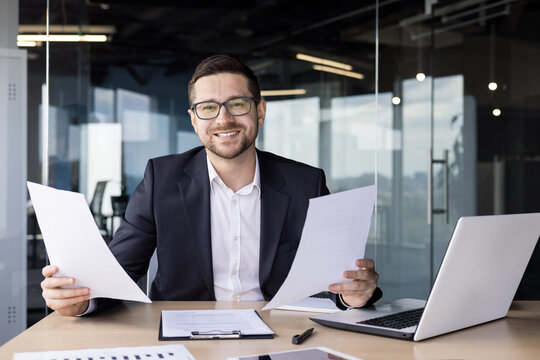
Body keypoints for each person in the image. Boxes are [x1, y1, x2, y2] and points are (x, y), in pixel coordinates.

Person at [41, 54, 382, 316]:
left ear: (259, 111)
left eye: (237, 104)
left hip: (280, 337)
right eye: (208, 108)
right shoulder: (162, 180)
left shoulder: (305, 183)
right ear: (194, 119)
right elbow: (116, 275)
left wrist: (352, 294)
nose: (223, 119)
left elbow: (338, 278)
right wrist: (80, 301)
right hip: (186, 338)